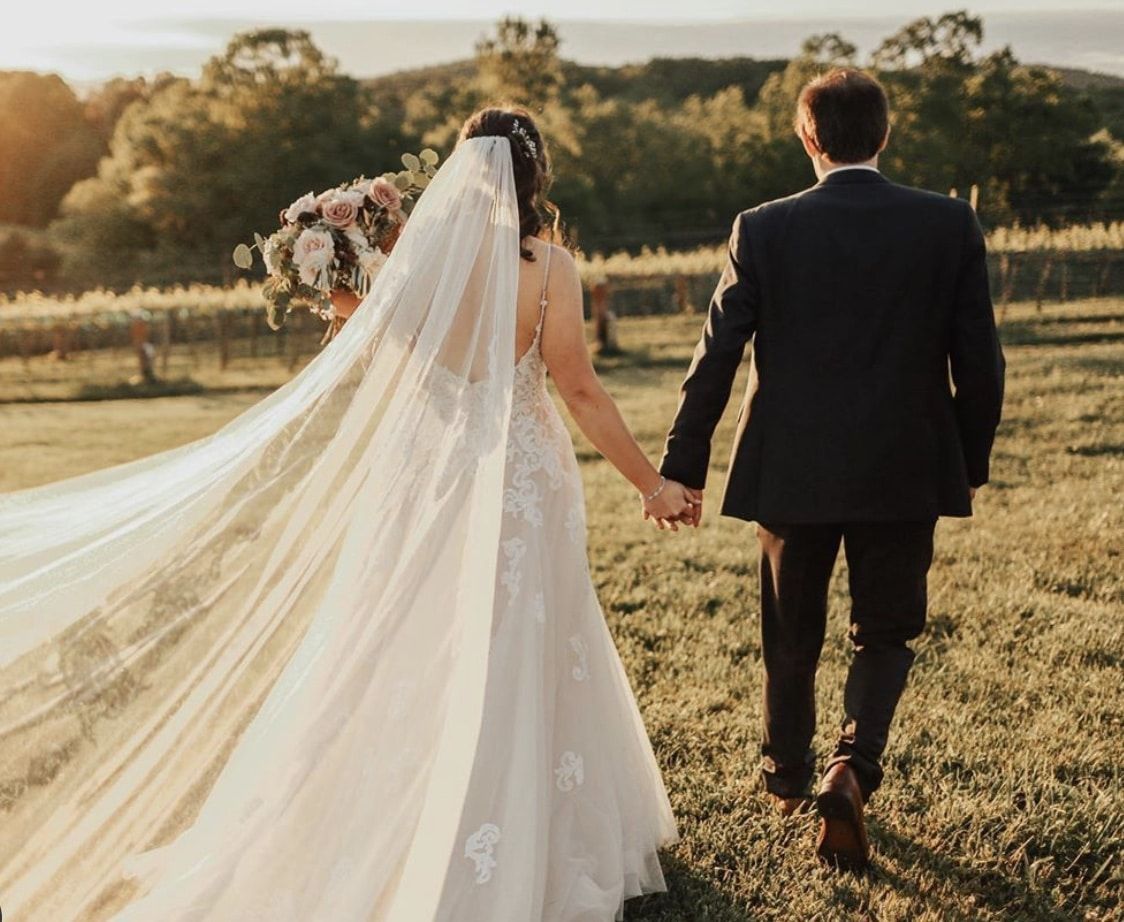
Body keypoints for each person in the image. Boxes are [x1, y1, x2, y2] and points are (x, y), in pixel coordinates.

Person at [0, 107, 687, 920]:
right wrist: (652, 484)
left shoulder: (412, 266)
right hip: (521, 485)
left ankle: (394, 804)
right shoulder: (554, 269)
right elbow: (576, 387)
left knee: (405, 638)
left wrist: (335, 279)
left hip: (427, 478)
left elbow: (367, 349)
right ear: (536, 177)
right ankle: (523, 819)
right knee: (526, 640)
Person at [658, 68, 1005, 873]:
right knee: (887, 630)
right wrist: (969, 457)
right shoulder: (948, 224)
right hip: (906, 464)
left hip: (791, 468)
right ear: (883, 136)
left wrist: (683, 464)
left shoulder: (762, 228)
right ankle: (853, 768)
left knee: (792, 631)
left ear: (807, 137)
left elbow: (716, 356)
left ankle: (786, 773)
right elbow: (981, 363)